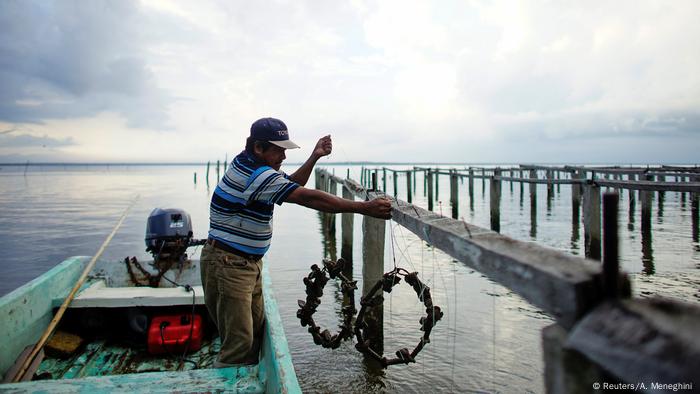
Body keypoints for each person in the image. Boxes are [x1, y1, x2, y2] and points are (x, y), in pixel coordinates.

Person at [200, 117, 392, 367]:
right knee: (238, 347)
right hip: (229, 265)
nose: (284, 156)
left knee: (255, 335)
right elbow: (307, 197)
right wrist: (363, 207)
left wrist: (314, 156)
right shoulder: (255, 175)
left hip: (245, 265)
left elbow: (290, 184)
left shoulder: (250, 162)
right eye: (279, 150)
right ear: (259, 148)